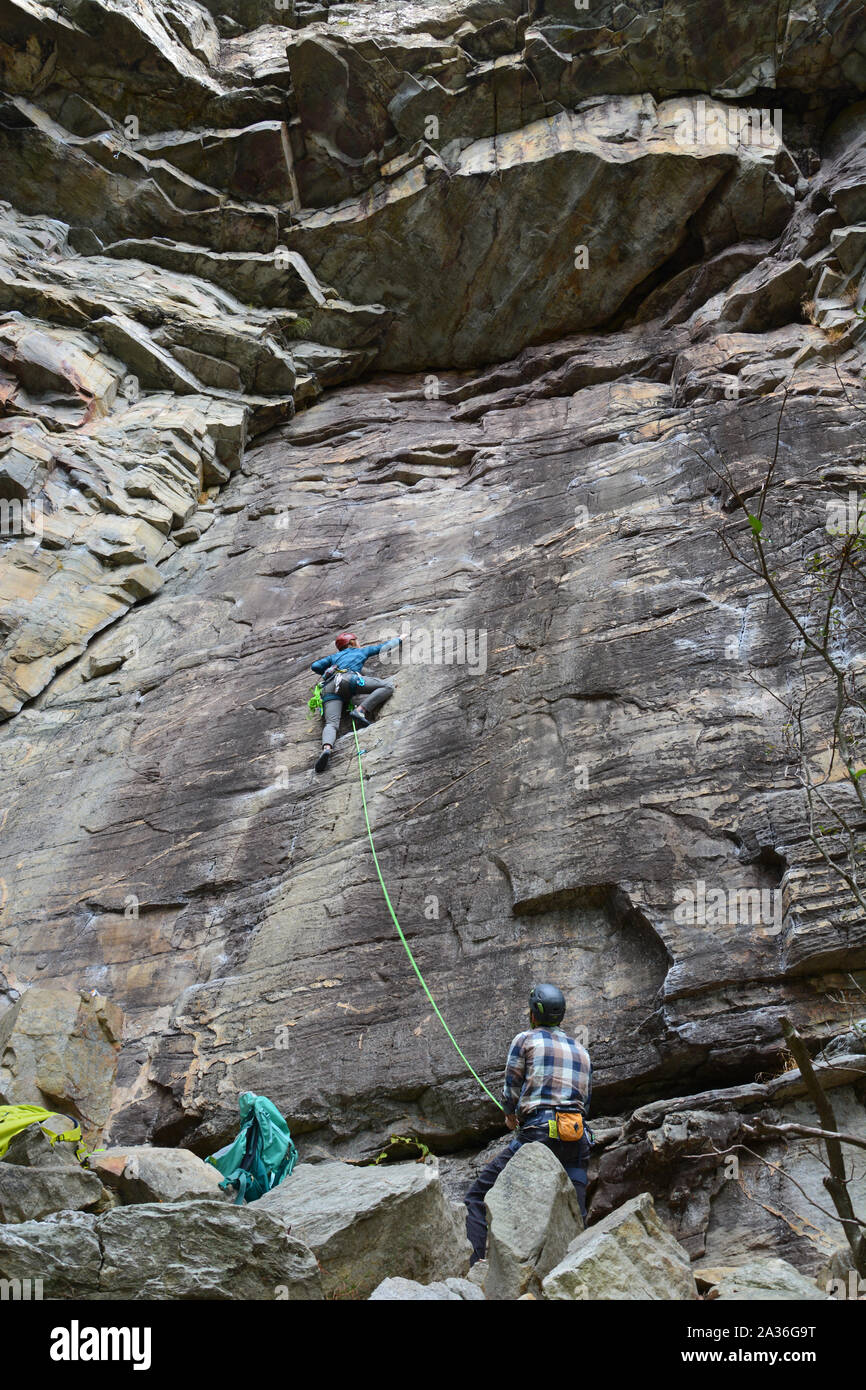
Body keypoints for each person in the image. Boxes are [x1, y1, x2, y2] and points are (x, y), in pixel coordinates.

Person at [464, 983, 592, 1264]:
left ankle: (473, 1271)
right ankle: (578, 1270)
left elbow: (512, 1087)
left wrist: (510, 1115)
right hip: (576, 1138)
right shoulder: (582, 1052)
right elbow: (585, 1101)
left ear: (533, 1014)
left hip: (539, 1133)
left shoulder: (525, 1040)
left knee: (476, 1197)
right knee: (575, 1213)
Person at [310, 631, 401, 773]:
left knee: (331, 723)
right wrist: (400, 639)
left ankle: (327, 749)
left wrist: (329, 670)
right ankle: (360, 711)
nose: (359, 643)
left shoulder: (334, 657)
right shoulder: (360, 652)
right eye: (356, 641)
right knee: (387, 686)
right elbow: (383, 647)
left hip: (329, 688)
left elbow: (315, 666)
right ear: (351, 642)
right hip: (348, 680)